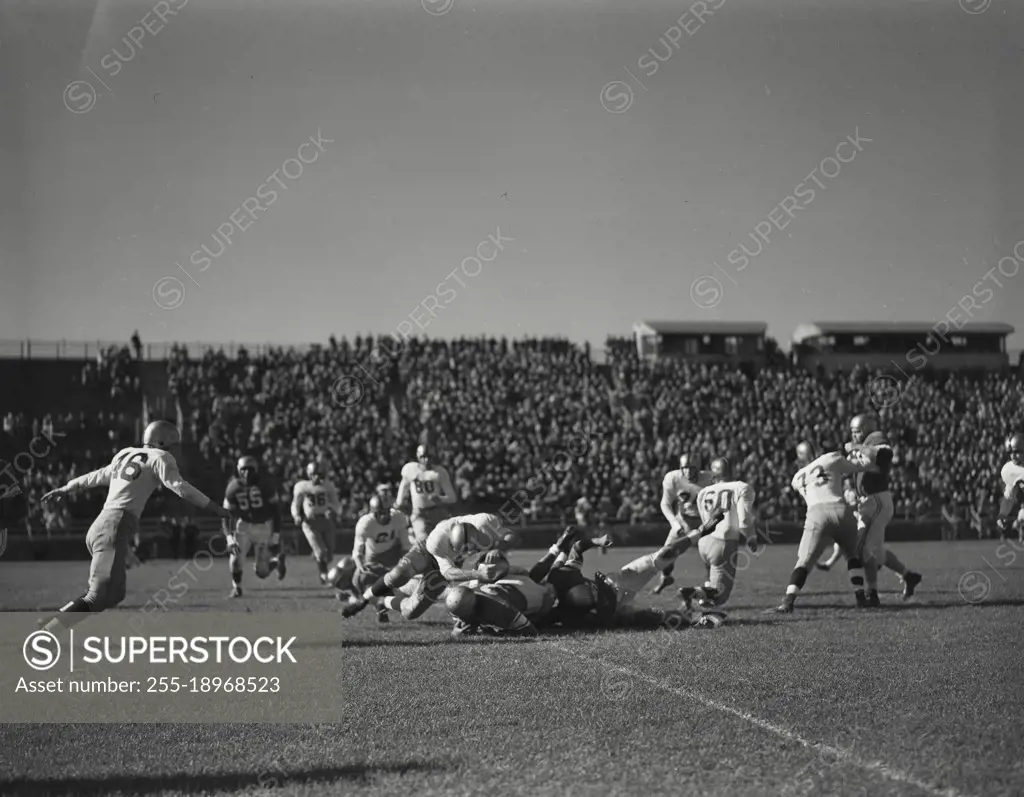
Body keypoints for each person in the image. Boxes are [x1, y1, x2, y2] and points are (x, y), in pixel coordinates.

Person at [37, 420, 230, 632]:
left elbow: (96, 476)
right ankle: (48, 632)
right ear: (162, 441)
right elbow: (181, 488)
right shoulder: (161, 457)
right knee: (97, 596)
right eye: (173, 444)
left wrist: (67, 487)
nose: (175, 449)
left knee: (115, 594)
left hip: (103, 527)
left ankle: (54, 620)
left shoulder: (125, 453)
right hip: (114, 529)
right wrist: (217, 509)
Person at [774, 441, 869, 612]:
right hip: (842, 510)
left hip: (817, 514)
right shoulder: (831, 458)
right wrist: (856, 450)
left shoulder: (797, 478)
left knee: (804, 561)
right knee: (852, 555)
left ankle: (788, 602)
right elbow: (860, 465)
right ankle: (860, 596)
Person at [223, 455, 285, 597]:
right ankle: (237, 588)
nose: (247, 473)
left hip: (264, 526)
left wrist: (275, 534)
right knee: (235, 560)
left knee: (261, 572)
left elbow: (276, 511)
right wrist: (229, 537)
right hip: (244, 525)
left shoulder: (266, 484)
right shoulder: (232, 488)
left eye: (250, 469)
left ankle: (275, 562)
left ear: (256, 470)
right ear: (238, 470)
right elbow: (226, 514)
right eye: (244, 470)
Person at [291, 462, 340, 585]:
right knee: (322, 552)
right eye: (315, 474)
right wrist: (296, 515)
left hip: (326, 521)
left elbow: (336, 503)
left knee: (329, 555)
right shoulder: (302, 486)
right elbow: (295, 504)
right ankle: (324, 575)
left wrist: (333, 511)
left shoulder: (329, 486)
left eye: (320, 475)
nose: (317, 478)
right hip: (310, 522)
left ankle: (318, 556)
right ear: (309, 474)